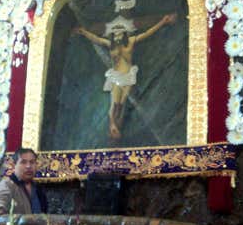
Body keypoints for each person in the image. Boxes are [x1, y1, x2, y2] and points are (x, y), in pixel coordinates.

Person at [74, 12, 176, 140]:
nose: (118, 34)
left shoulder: (131, 41)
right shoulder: (110, 44)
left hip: (128, 76)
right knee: (114, 103)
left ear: (125, 33)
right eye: (115, 32)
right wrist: (84, 32)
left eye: (120, 32)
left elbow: (147, 33)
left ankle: (117, 127)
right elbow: (96, 39)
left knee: (121, 104)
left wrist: (163, 22)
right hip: (117, 76)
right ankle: (112, 125)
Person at [0, 147, 48, 215]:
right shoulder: (7, 185)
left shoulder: (38, 188)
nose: (28, 166)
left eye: (32, 162)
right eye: (23, 162)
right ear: (14, 165)